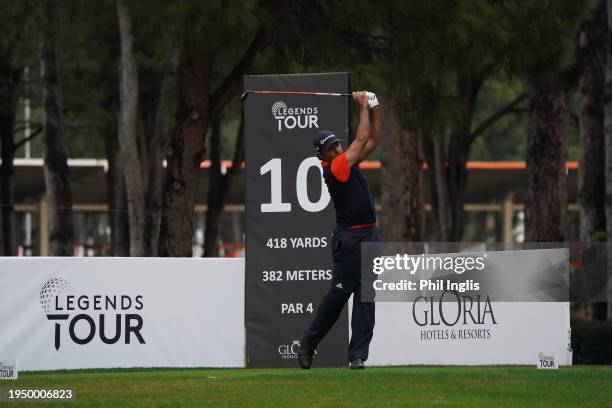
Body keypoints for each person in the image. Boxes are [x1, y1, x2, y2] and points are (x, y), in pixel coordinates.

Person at [298, 90, 382, 370]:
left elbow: (373, 140)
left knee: (365, 299)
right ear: (321, 154)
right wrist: (361, 107)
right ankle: (309, 342)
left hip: (369, 236)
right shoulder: (335, 168)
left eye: (336, 145)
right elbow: (360, 139)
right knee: (338, 297)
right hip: (349, 241)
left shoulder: (347, 161)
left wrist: (374, 106)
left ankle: (357, 355)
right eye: (330, 147)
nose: (336, 149)